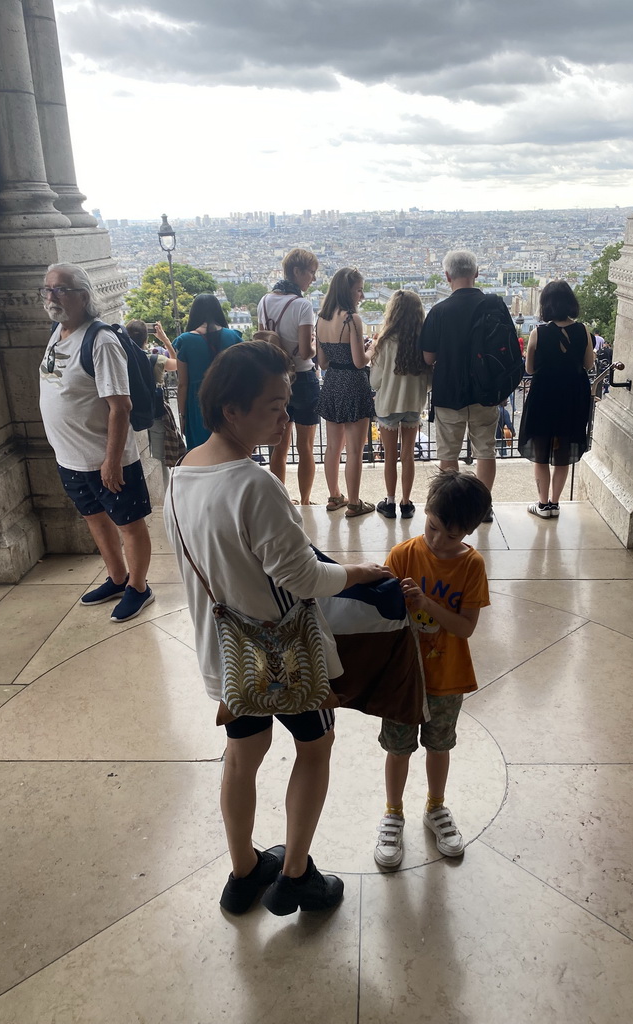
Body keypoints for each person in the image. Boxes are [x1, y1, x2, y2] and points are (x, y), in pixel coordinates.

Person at [164, 340, 392, 916]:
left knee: (242, 755)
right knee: (315, 746)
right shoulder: (253, 485)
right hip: (283, 652)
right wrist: (360, 571)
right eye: (274, 405)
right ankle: (294, 875)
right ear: (232, 411)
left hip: (226, 653)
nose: (285, 415)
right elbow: (304, 577)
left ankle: (244, 872)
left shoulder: (182, 473)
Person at [373, 471, 491, 869]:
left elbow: (466, 627)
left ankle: (435, 807)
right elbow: (381, 619)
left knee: (440, 746)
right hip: (403, 677)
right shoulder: (402, 555)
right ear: (424, 513)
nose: (438, 542)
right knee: (397, 747)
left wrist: (425, 602)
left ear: (470, 532)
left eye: (451, 536)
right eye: (432, 528)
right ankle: (393, 813)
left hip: (447, 678)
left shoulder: (471, 565)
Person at [38, 263, 154, 622]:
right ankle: (117, 578)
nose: (51, 296)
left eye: (60, 289)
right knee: (94, 518)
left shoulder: (100, 340)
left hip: (106, 457)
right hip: (70, 457)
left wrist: (111, 460)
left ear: (84, 296)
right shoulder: (59, 331)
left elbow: (120, 406)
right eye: (47, 289)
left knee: (129, 523)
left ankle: (139, 587)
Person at [419, 250, 517, 523]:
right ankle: (482, 507)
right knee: (486, 450)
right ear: (476, 274)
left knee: (448, 454)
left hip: (450, 391)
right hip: (486, 391)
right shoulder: (495, 305)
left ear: (447, 276)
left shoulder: (439, 311)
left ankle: (450, 506)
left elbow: (428, 357)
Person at [517, 280, 594, 519]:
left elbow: (529, 368)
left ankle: (542, 504)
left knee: (541, 453)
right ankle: (555, 503)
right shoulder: (583, 331)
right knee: (563, 454)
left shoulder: (538, 333)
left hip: (544, 397)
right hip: (572, 397)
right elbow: (589, 364)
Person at [257, 249, 320, 505]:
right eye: (311, 273)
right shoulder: (302, 305)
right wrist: (315, 344)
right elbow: (306, 352)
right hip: (303, 379)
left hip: (274, 379)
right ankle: (305, 502)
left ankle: (280, 502)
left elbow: (263, 341)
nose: (313, 279)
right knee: (305, 448)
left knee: (279, 447)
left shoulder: (263, 301)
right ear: (297, 272)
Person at [316, 267, 375, 518]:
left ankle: (334, 496)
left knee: (333, 447)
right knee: (354, 450)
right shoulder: (352, 320)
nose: (361, 296)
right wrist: (374, 348)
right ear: (348, 290)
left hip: (332, 383)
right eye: (359, 290)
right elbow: (360, 362)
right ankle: (353, 503)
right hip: (353, 383)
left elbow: (322, 362)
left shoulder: (321, 318)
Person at [369, 289, 430, 519]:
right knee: (408, 456)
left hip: (388, 406)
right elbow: (429, 381)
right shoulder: (422, 342)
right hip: (413, 405)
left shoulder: (385, 342)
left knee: (390, 457)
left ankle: (390, 502)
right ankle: (406, 502)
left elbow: (375, 381)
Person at [175, 294, 242, 450]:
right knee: (231, 449)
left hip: (197, 402)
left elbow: (182, 384)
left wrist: (183, 416)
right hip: (228, 397)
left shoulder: (184, 341)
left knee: (201, 451)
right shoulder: (233, 337)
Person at [125, 319, 179, 492]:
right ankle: (164, 495)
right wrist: (165, 339)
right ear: (145, 340)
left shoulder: (122, 359)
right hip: (155, 413)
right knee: (159, 459)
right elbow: (177, 363)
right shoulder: (156, 359)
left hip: (130, 415)